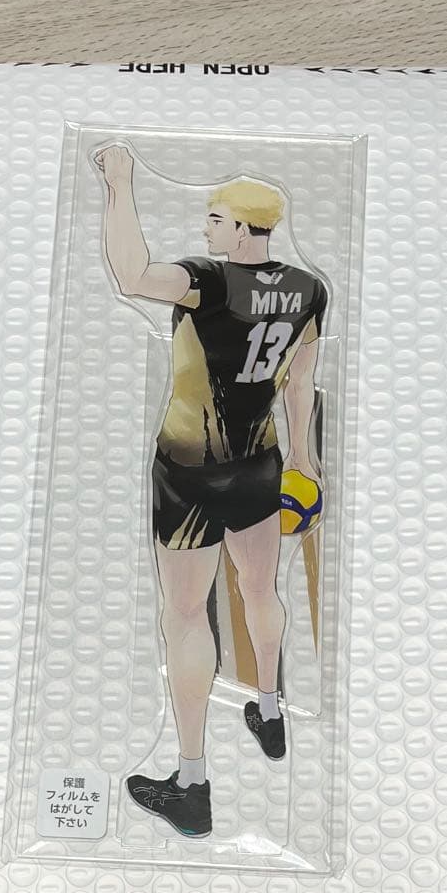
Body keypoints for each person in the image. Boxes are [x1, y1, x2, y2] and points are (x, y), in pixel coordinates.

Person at [95, 144, 327, 838]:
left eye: (216, 218)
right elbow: (301, 381)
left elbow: (131, 275)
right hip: (260, 463)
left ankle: (192, 784)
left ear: (244, 230)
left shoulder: (209, 280)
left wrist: (119, 183)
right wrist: (306, 458)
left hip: (189, 468)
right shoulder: (309, 289)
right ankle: (271, 709)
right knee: (260, 588)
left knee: (186, 614)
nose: (205, 228)